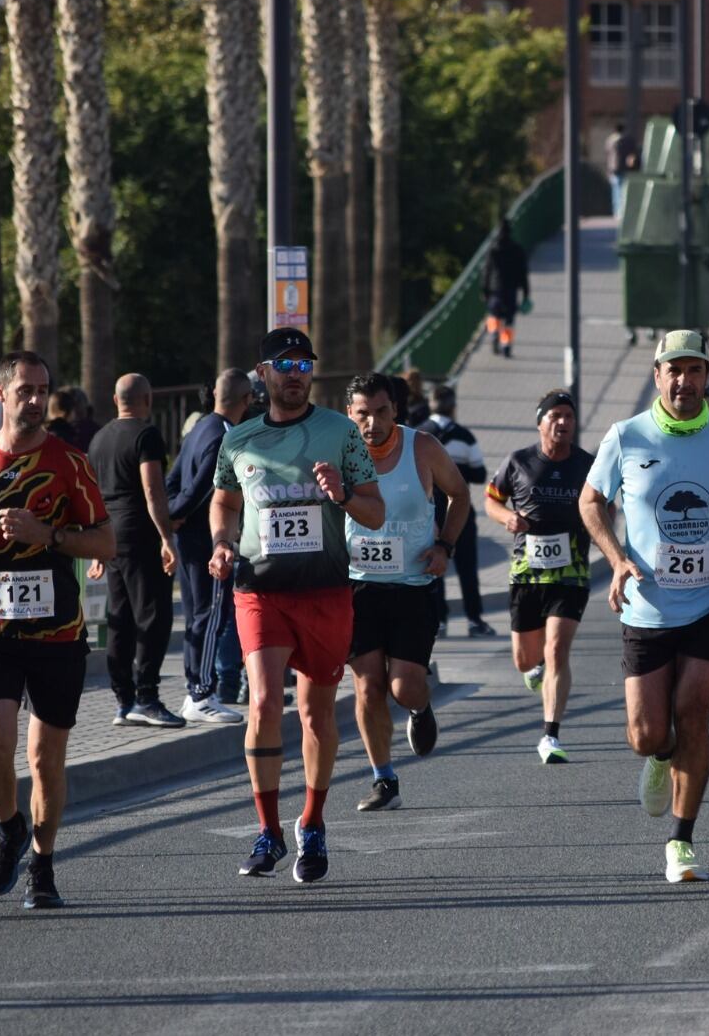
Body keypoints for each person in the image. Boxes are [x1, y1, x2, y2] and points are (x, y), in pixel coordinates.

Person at [0, 350, 116, 910]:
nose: (35, 400)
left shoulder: (70, 462)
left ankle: (42, 864)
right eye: (25, 391)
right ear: (0, 394)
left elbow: (105, 541)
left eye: (42, 390)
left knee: (44, 759)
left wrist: (48, 534)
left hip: (57, 631)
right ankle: (10, 828)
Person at [578, 330, 709, 882]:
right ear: (657, 376)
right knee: (648, 734)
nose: (684, 381)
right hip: (648, 606)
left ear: (707, 377)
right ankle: (660, 756)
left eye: (694, 370)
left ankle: (682, 839)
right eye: (673, 371)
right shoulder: (626, 436)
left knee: (694, 713)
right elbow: (591, 500)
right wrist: (615, 558)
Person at [209, 327, 384, 883]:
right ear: (262, 374)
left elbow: (375, 511)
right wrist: (222, 542)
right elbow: (224, 501)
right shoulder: (239, 440)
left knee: (315, 713)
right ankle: (268, 832)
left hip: (326, 591)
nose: (295, 375)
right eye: (284, 366)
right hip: (260, 591)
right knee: (263, 703)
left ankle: (311, 821)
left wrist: (342, 494)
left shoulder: (340, 433)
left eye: (304, 366)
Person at [343, 373, 470, 811]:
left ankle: (420, 708)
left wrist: (445, 546)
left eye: (381, 412)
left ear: (395, 410)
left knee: (404, 686)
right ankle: (384, 779)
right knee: (367, 687)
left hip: (413, 585)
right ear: (349, 414)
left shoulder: (423, 447)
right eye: (363, 414)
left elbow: (460, 495)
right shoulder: (339, 452)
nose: (372, 423)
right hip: (358, 585)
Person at [485, 390, 596, 763]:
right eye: (555, 416)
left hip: (571, 573)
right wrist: (507, 518)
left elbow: (605, 504)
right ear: (540, 422)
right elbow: (491, 499)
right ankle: (536, 670)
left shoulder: (587, 464)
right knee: (525, 659)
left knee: (557, 649)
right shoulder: (519, 461)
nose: (563, 422)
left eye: (569, 416)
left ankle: (550, 735)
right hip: (526, 573)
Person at [87, 374, 182, 728]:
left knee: (120, 618)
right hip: (140, 534)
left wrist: (97, 547)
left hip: (110, 535)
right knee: (154, 615)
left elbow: (93, 495)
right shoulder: (147, 435)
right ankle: (147, 697)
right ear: (148, 399)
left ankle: (123, 700)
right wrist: (166, 537)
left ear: (115, 400)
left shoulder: (98, 439)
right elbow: (153, 491)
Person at [166, 369, 252, 724]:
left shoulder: (200, 427)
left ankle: (197, 691)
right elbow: (205, 489)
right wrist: (178, 513)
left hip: (189, 538)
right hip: (208, 541)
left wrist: (170, 513)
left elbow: (173, 480)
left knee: (197, 614)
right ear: (247, 400)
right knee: (210, 614)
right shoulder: (224, 436)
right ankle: (201, 693)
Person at [419, 384, 496, 637]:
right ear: (453, 407)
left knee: (433, 564)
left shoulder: (419, 434)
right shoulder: (464, 436)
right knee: (467, 566)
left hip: (429, 510)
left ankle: (438, 619)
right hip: (460, 509)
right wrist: (456, 471)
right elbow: (479, 473)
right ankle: (474, 619)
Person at [483, 220, 530, 358]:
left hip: (495, 289)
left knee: (493, 315)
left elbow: (487, 271)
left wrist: (484, 289)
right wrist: (526, 293)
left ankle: (494, 334)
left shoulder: (493, 249)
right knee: (509, 320)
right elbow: (523, 273)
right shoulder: (517, 250)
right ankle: (506, 346)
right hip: (511, 289)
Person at [605, 123, 639, 218]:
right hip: (625, 169)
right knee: (623, 190)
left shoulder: (610, 140)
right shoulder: (628, 140)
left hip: (614, 169)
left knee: (616, 191)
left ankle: (617, 211)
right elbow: (632, 154)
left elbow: (608, 155)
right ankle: (622, 211)